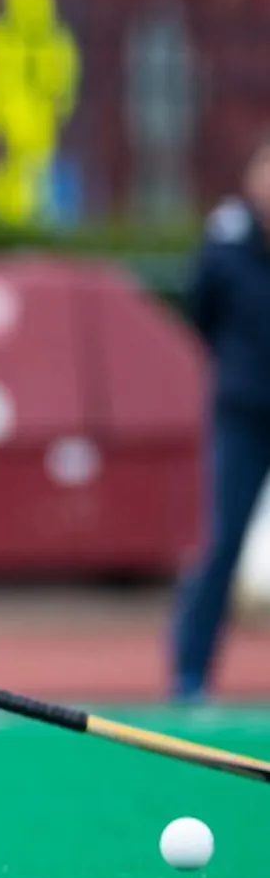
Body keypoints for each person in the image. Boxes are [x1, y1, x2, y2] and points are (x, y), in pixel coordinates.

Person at [170, 131, 270, 704]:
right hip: (245, 411)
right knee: (221, 541)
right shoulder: (227, 236)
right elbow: (200, 310)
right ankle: (190, 674)